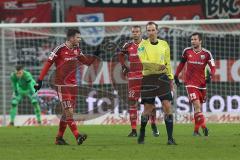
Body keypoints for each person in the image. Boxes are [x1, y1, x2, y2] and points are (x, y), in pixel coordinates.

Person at [34, 28, 97, 145]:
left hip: (73, 86)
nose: (80, 39)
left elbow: (87, 62)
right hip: (62, 85)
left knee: (66, 113)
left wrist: (96, 55)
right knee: (69, 112)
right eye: (78, 37)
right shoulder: (60, 49)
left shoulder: (77, 50)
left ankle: (59, 138)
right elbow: (48, 63)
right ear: (71, 38)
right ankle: (77, 136)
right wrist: (40, 80)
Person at [137, 21, 176, 145]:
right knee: (148, 108)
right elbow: (143, 61)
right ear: (146, 32)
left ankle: (170, 138)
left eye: (153, 30)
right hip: (148, 79)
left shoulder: (164, 44)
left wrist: (171, 78)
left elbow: (168, 63)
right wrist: (157, 65)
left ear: (157, 31)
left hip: (163, 78)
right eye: (149, 30)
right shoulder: (142, 45)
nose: (151, 32)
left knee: (167, 106)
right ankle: (142, 131)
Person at [118, 26, 159, 137]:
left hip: (146, 78)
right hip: (133, 79)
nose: (135, 34)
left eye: (137, 32)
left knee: (150, 104)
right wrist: (123, 66)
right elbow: (120, 55)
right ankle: (134, 130)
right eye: (133, 32)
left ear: (141, 33)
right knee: (132, 103)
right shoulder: (128, 46)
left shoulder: (147, 44)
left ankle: (154, 125)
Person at [174, 32, 215, 136]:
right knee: (196, 105)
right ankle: (205, 128)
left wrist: (211, 76)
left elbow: (213, 67)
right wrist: (176, 75)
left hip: (202, 84)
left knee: (198, 109)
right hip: (190, 83)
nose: (193, 41)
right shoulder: (187, 51)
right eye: (192, 39)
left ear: (200, 41)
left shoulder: (206, 54)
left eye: (195, 39)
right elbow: (181, 64)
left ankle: (196, 131)